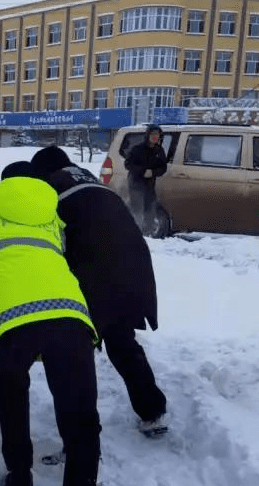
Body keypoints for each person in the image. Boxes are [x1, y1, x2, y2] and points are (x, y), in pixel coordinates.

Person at [0, 166, 115, 486]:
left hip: (14, 319)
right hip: (67, 314)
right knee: (80, 416)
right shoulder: (51, 215)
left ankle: (20, 479)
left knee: (12, 397)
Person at [28, 148, 168, 438]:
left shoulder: (51, 189)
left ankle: (81, 438)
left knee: (74, 352)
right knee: (121, 340)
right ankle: (152, 411)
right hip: (133, 266)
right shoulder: (89, 180)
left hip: (93, 271)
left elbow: (54, 241)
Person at [123, 124, 168, 235]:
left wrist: (153, 172)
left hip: (150, 185)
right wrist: (143, 171)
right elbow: (128, 164)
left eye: (157, 135)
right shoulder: (137, 149)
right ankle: (134, 233)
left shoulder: (159, 150)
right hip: (136, 184)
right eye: (153, 134)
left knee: (150, 210)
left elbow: (163, 167)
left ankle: (147, 234)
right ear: (147, 135)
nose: (155, 137)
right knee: (137, 211)